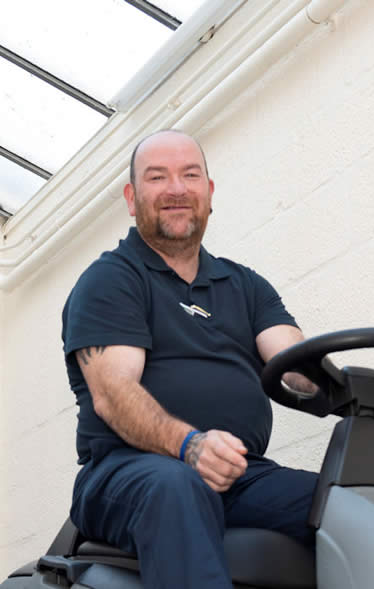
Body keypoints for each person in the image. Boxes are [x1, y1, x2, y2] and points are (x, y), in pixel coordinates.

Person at [61, 129, 320, 588]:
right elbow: (114, 395)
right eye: (157, 177)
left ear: (209, 192)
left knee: (350, 502)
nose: (177, 189)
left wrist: (346, 384)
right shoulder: (111, 280)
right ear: (132, 197)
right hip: (128, 471)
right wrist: (190, 446)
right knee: (177, 485)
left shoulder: (245, 286)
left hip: (239, 472)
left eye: (190, 175)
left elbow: (295, 361)